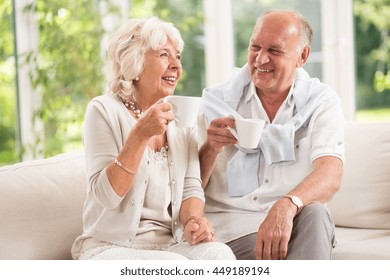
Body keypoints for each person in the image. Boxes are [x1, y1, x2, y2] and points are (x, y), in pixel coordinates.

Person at [71, 17, 235, 260]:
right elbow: (106, 196)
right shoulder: (103, 110)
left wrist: (193, 221)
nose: (176, 66)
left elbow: (191, 187)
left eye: (177, 56)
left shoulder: (180, 115)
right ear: (134, 63)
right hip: (109, 247)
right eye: (164, 55)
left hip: (170, 245)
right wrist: (140, 135)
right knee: (172, 265)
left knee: (219, 255)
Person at [198, 10, 345, 260]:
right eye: (255, 47)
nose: (260, 59)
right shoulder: (216, 102)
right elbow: (188, 186)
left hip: (295, 225)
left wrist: (287, 205)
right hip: (231, 233)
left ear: (303, 56)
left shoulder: (321, 102)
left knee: (316, 213)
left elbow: (330, 174)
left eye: (275, 51)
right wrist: (210, 148)